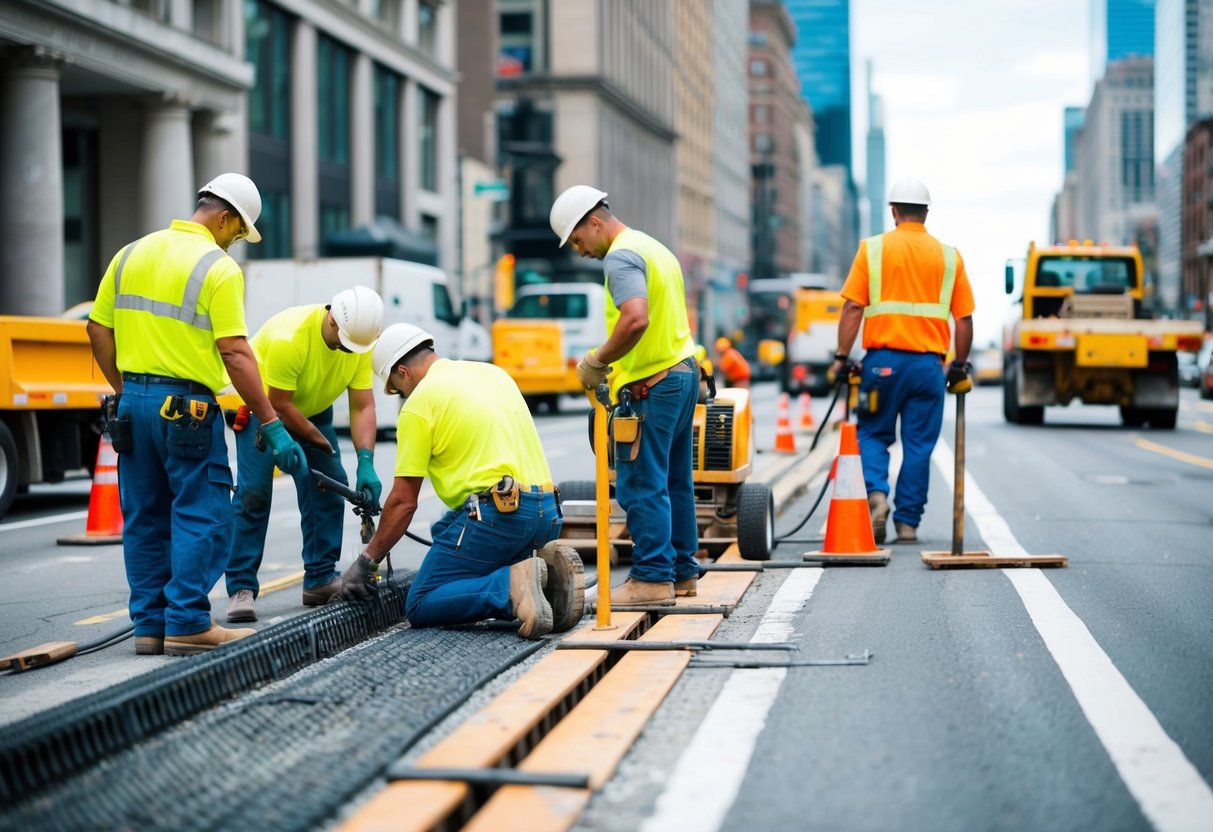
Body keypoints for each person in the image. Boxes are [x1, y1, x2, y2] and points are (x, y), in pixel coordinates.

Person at [86, 173, 307, 656]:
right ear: (224, 217)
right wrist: (271, 422)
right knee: (203, 513)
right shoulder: (218, 268)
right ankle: (187, 621)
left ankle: (150, 627)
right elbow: (235, 351)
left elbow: (97, 330)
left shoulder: (130, 253)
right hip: (186, 409)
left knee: (145, 515)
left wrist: (126, 391)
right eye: (237, 232)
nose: (235, 243)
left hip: (133, 403)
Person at [337, 323, 583, 639]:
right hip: (547, 514)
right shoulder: (493, 374)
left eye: (398, 388)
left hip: (501, 519)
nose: (402, 396)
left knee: (422, 601)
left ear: (403, 372)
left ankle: (510, 588)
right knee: (446, 529)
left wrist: (367, 560)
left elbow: (403, 502)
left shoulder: (419, 403)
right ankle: (544, 582)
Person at [547, 185, 699, 607]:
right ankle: (682, 572)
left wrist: (596, 360)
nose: (579, 251)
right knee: (674, 481)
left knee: (640, 482)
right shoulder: (653, 248)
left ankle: (652, 579)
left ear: (594, 222)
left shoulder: (621, 256)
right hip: (681, 373)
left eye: (578, 239)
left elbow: (635, 319)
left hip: (653, 384)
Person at [224, 286, 385, 622]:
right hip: (261, 409)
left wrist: (366, 460)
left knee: (330, 486)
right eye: (345, 340)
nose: (347, 349)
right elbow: (280, 403)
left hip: (313, 410)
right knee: (254, 491)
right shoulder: (291, 337)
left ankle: (320, 579)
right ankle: (241, 588)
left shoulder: (358, 343)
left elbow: (363, 404)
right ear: (333, 322)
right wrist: (312, 440)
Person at [830, 177, 975, 545]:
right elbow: (964, 320)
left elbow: (852, 307)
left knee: (873, 433)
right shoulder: (948, 256)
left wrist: (841, 358)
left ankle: (877, 495)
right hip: (928, 369)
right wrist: (958, 365)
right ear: (925, 213)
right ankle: (908, 523)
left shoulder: (873, 250)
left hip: (881, 367)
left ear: (893, 212)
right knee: (919, 446)